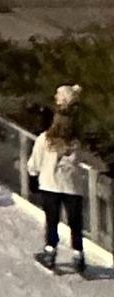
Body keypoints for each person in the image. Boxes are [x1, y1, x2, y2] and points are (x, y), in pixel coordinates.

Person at [30, 109, 88, 274]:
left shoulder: (45, 139)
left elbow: (35, 161)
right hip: (72, 187)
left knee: (52, 220)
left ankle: (50, 251)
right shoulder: (76, 143)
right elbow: (86, 159)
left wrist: (33, 176)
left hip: (50, 185)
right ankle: (78, 254)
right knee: (75, 222)